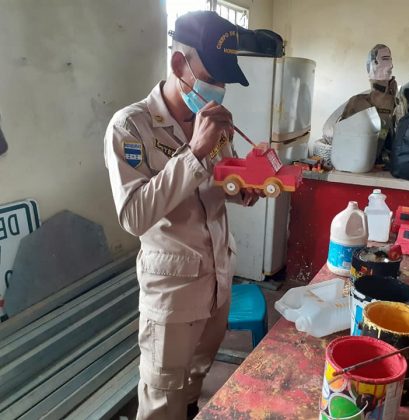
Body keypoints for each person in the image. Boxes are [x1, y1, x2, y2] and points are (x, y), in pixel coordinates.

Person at [104, 11, 262, 420]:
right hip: (172, 294)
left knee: (194, 384)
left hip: (217, 280)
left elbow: (220, 184)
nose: (220, 89)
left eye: (226, 80)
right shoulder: (131, 127)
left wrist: (244, 190)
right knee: (161, 399)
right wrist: (193, 151)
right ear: (179, 65)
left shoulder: (214, 122)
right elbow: (134, 215)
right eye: (214, 76)